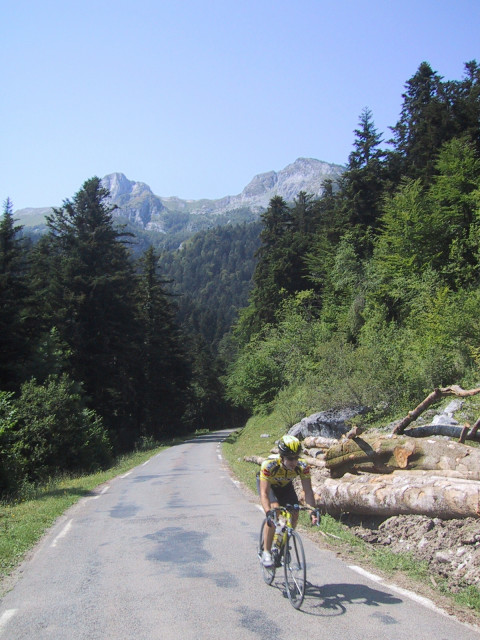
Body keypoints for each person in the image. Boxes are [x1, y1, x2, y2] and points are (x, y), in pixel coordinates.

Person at [257, 434, 318, 567]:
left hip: (285, 487)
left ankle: (283, 545)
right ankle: (266, 552)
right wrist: (268, 512)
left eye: (296, 457)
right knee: (274, 512)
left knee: (295, 512)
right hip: (269, 487)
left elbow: (308, 491)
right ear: (282, 456)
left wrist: (312, 511)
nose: (294, 462)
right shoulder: (269, 465)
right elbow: (264, 493)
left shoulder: (302, 466)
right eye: (290, 458)